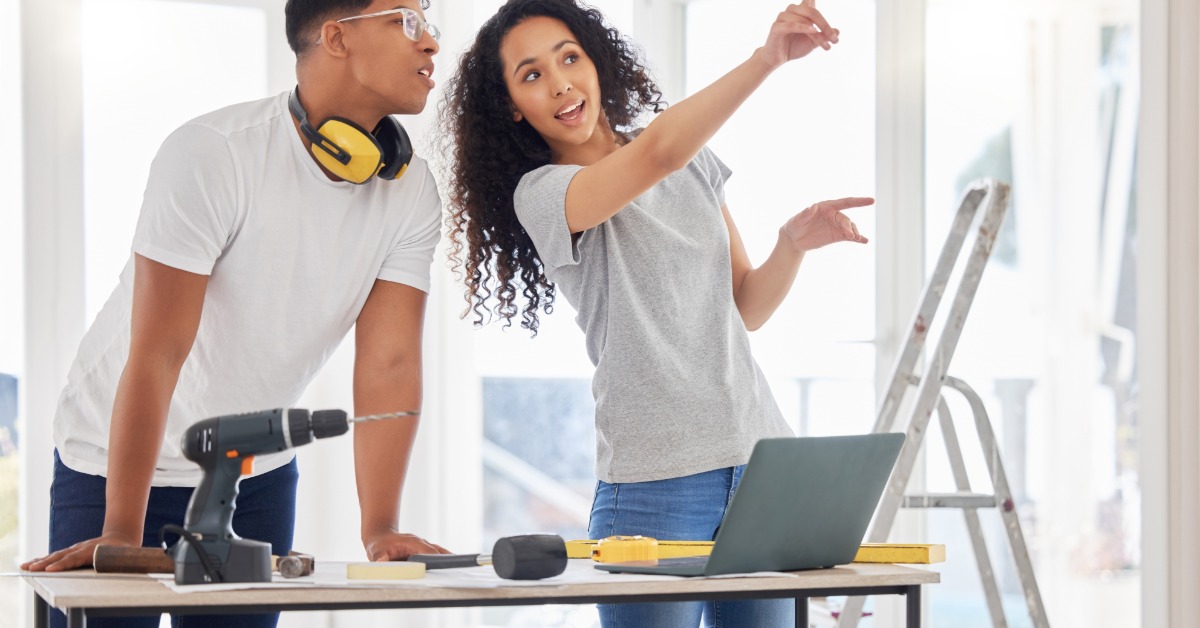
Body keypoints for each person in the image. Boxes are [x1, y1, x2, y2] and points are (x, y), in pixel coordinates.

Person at [441, 0, 872, 625]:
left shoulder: (689, 156)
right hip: (656, 483)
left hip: (761, 462)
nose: (560, 82)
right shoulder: (544, 195)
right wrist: (765, 59)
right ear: (513, 105)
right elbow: (655, 157)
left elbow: (744, 308)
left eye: (569, 58)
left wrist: (791, 246)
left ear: (595, 63)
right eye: (531, 75)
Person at [20, 1, 449, 626]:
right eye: (406, 22)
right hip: (112, 466)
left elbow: (388, 362)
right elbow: (158, 352)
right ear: (336, 37)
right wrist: (120, 531)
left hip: (252, 475)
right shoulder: (212, 153)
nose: (431, 43)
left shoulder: (410, 193)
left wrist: (380, 527)